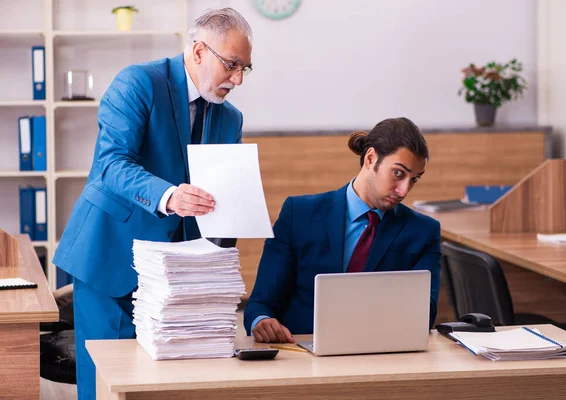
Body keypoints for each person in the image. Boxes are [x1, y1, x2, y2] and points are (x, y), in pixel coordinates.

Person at [53, 8, 253, 399]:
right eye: (232, 65)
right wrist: (169, 195)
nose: (239, 79)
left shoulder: (231, 119)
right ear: (199, 52)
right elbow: (111, 164)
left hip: (175, 272)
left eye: (246, 68)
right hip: (110, 256)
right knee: (105, 383)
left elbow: (223, 194)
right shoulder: (138, 83)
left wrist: (221, 261)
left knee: (164, 384)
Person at [244, 117, 441, 343]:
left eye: (414, 179)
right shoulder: (299, 214)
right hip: (302, 356)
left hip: (381, 355)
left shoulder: (423, 232)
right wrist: (261, 321)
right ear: (370, 158)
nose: (404, 190)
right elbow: (260, 303)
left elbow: (424, 316)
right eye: (398, 173)